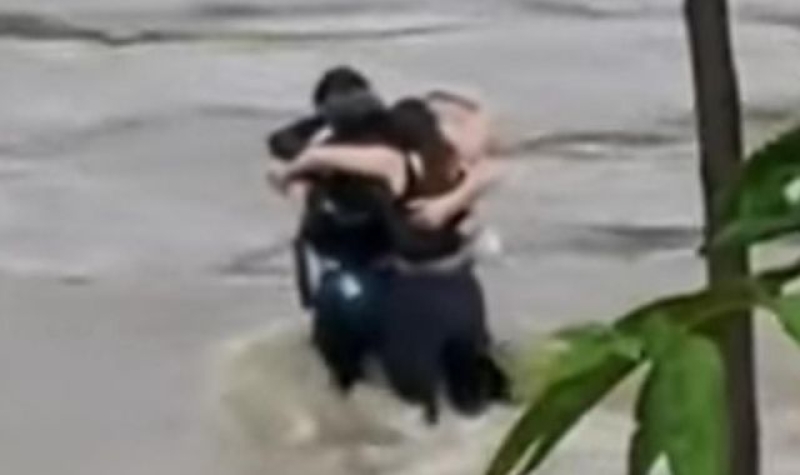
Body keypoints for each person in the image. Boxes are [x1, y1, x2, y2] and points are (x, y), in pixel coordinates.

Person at [269, 84, 508, 423]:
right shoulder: (456, 158)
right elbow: (492, 154)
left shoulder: (392, 164)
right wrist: (449, 203)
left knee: (415, 408)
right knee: (477, 395)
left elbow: (317, 158)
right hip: (462, 286)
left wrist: (291, 173)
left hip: (413, 294)